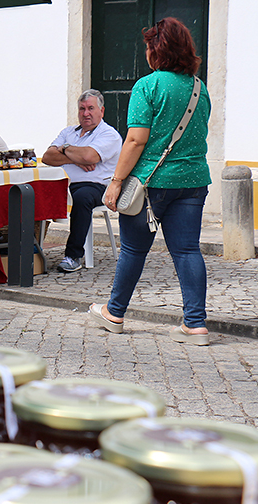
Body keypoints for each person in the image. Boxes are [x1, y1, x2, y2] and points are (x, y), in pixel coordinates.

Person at [91, 17, 212, 346]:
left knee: (133, 249)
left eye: (148, 47)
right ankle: (195, 324)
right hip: (193, 180)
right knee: (187, 250)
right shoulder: (200, 89)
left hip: (150, 184)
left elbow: (135, 140)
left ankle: (114, 313)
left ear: (157, 50)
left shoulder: (148, 86)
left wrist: (116, 181)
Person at [42, 89, 122, 272]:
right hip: (63, 183)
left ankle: (73, 256)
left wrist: (64, 149)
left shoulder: (109, 134)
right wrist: (75, 159)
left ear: (101, 111)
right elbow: (47, 157)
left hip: (95, 186)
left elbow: (89, 156)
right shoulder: (68, 132)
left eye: (91, 108)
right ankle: (31, 250)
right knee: (33, 194)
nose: (86, 113)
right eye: (82, 109)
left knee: (82, 197)